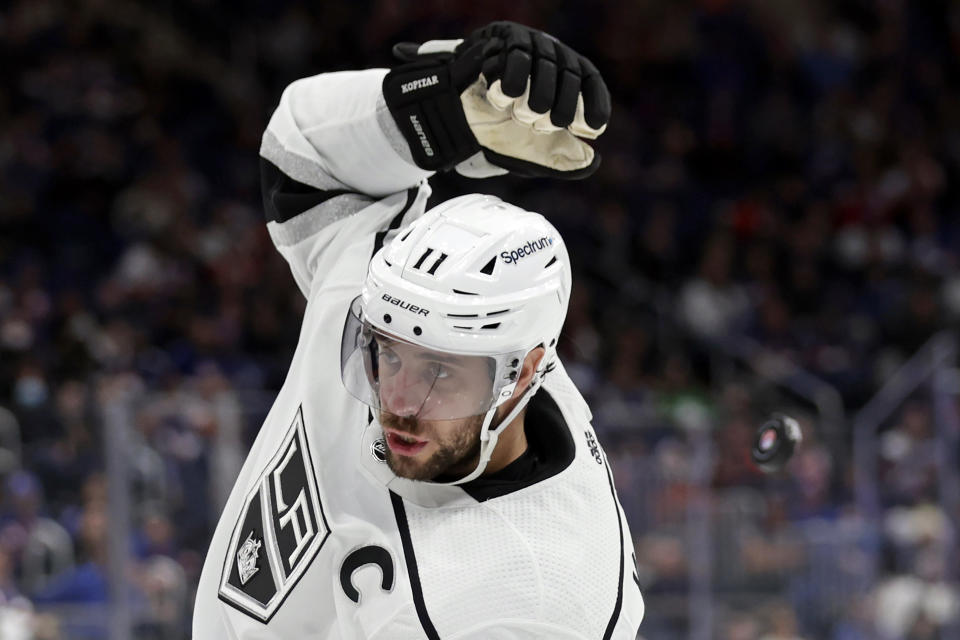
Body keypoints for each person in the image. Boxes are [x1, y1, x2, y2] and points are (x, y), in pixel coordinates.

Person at [193, 21, 644, 639]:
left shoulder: (540, 601)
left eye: (440, 372)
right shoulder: (392, 308)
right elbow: (300, 157)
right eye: (389, 358)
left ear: (526, 373)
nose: (398, 404)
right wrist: (440, 111)